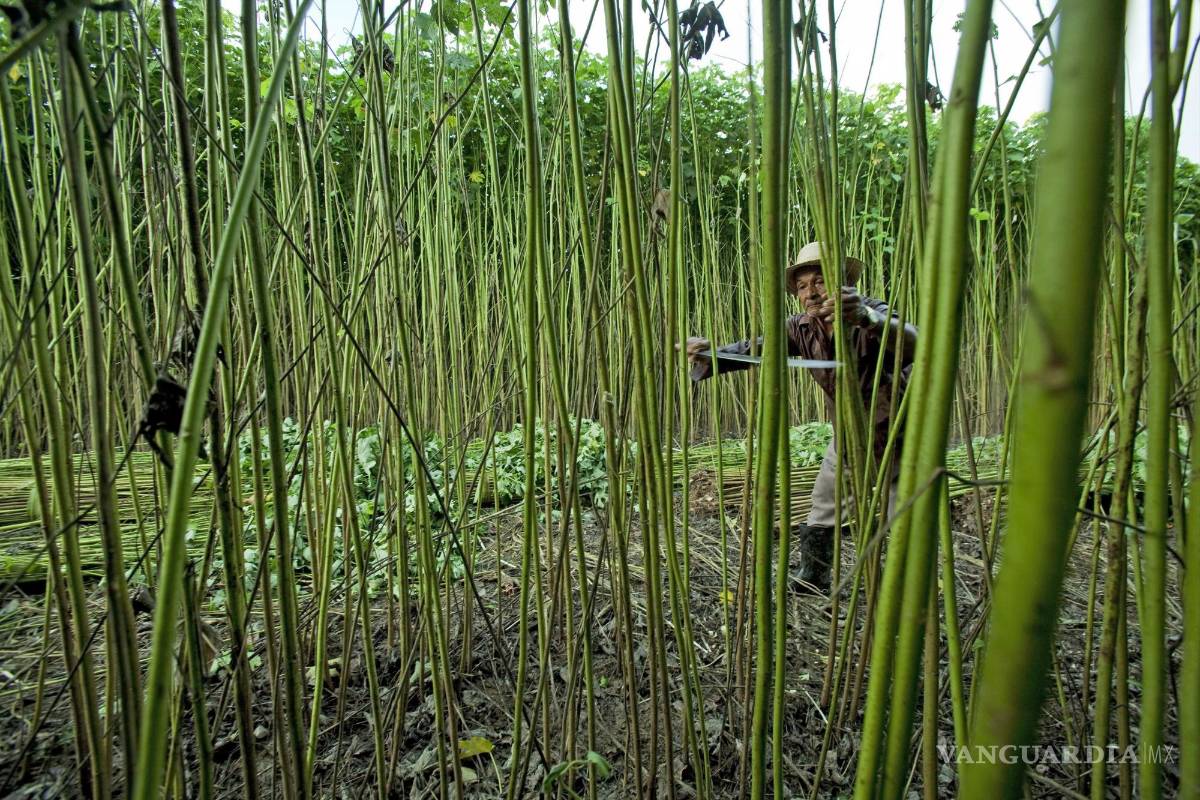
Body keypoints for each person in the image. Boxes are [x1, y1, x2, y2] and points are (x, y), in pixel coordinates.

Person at [682, 241, 917, 593]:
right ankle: (815, 575)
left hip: (901, 428)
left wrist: (867, 319)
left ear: (840, 282)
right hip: (850, 431)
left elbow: (914, 342)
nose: (811, 292)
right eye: (803, 286)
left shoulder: (870, 310)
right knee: (825, 500)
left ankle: (906, 584)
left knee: (903, 508)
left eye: (819, 281)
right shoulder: (799, 328)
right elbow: (753, 349)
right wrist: (708, 354)